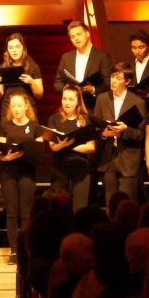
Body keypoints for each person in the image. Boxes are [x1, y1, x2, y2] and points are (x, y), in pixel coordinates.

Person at [0, 93, 44, 264]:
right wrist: (6, 157)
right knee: (11, 213)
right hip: (9, 172)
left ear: (26, 106)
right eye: (13, 106)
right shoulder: (6, 126)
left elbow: (40, 151)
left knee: (26, 213)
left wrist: (30, 153)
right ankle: (14, 250)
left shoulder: (34, 126)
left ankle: (26, 249)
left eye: (19, 105)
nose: (16, 109)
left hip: (27, 172)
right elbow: (0, 152)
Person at [93, 62, 146, 203]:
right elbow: (95, 128)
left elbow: (141, 134)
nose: (113, 81)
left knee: (127, 202)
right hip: (108, 158)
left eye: (118, 78)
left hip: (128, 158)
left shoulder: (138, 102)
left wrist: (125, 130)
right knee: (110, 201)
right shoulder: (102, 99)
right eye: (112, 77)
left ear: (127, 81)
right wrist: (104, 134)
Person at [47, 84, 96, 213]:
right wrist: (63, 144)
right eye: (64, 99)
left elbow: (91, 147)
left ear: (77, 101)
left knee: (80, 209)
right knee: (58, 209)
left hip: (80, 167)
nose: (67, 102)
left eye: (71, 99)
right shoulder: (54, 119)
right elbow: (53, 147)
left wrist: (71, 144)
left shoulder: (85, 120)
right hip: (60, 168)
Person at [53, 21, 111, 111]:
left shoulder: (102, 57)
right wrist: (68, 89)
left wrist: (92, 89)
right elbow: (58, 82)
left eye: (79, 34)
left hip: (93, 107)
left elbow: (108, 82)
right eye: (72, 37)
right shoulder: (66, 57)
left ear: (87, 34)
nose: (76, 39)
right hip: (72, 108)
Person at [0, 33, 44, 123]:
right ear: (7, 50)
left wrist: (31, 82)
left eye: (17, 47)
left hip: (27, 110)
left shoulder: (33, 67)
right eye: (11, 48)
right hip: (9, 111)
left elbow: (39, 94)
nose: (14, 50)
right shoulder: (3, 67)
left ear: (23, 48)